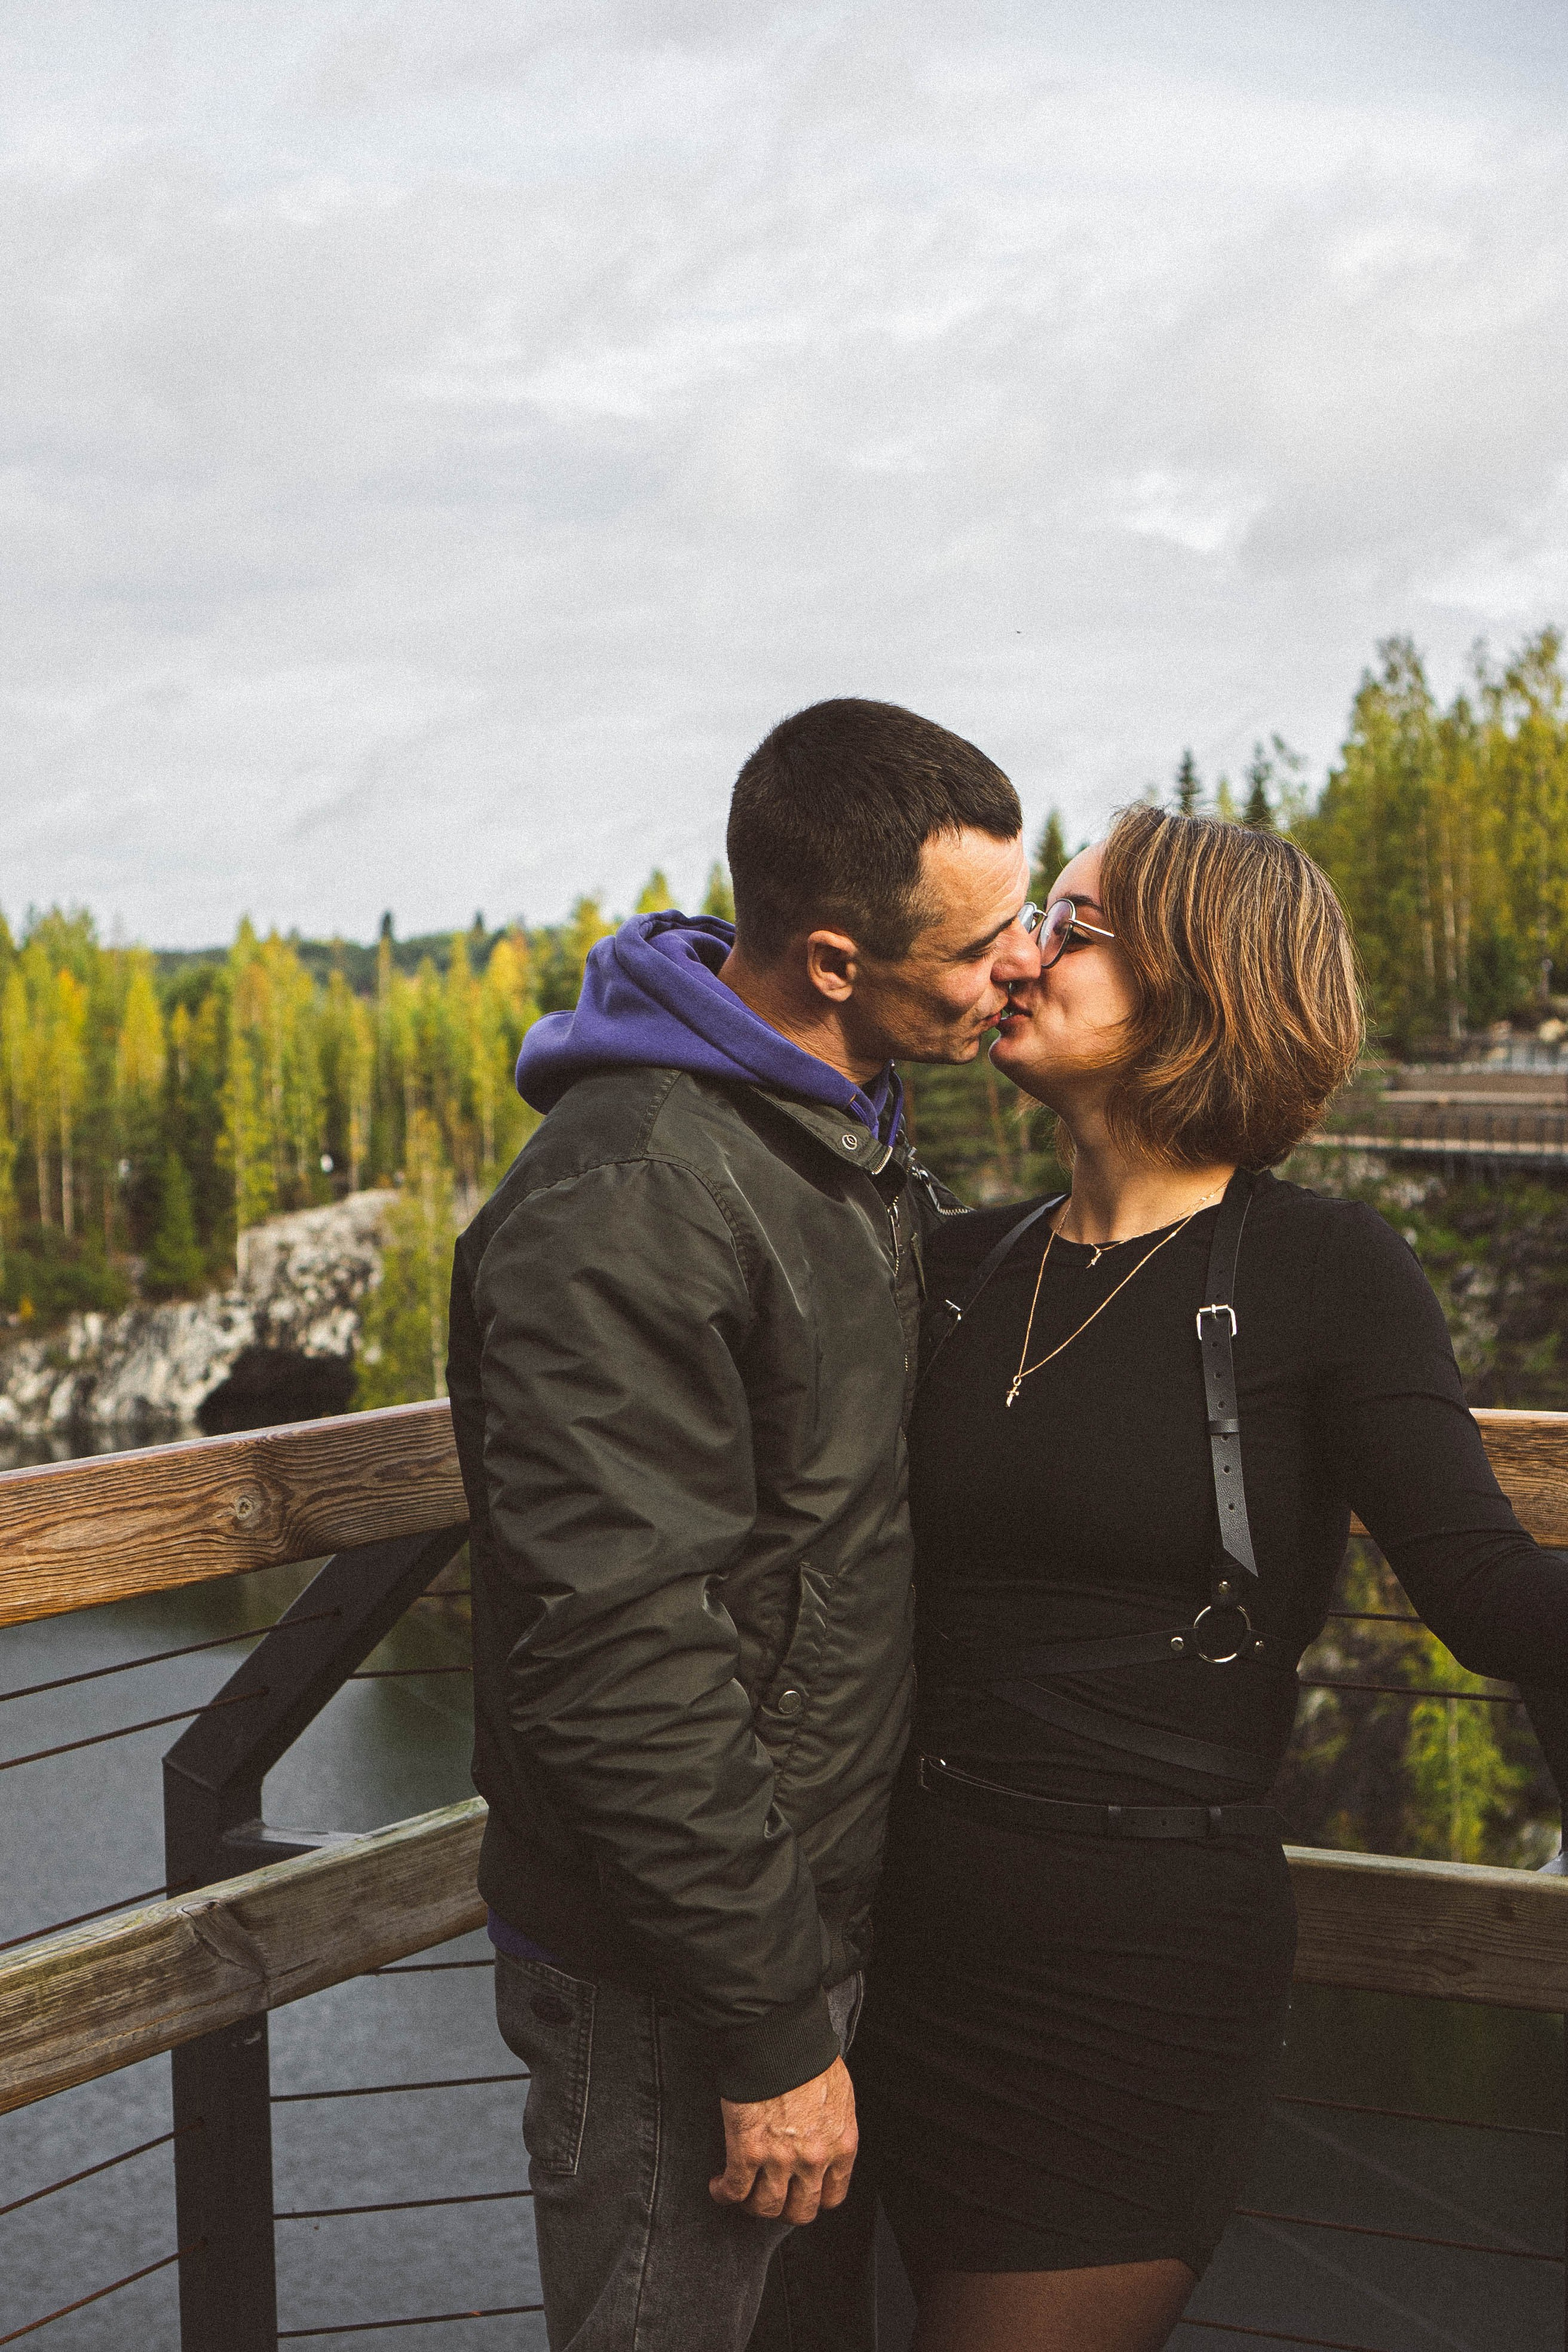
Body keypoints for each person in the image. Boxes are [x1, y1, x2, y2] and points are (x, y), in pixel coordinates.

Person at [851, 803, 1568, 2352]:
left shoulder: (1327, 1270)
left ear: (1199, 987)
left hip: (1129, 1990)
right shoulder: (958, 1261)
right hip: (874, 1953)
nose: (1020, 953)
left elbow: (1486, 1594)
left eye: (1075, 925)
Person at [445, 698, 1039, 2352]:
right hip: (679, 1977)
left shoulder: (820, 1134)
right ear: (836, 960)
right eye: (986, 940)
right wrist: (773, 2028)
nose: (1024, 962)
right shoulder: (630, 1193)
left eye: (1032, 911)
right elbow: (618, 1655)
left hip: (790, 1921)